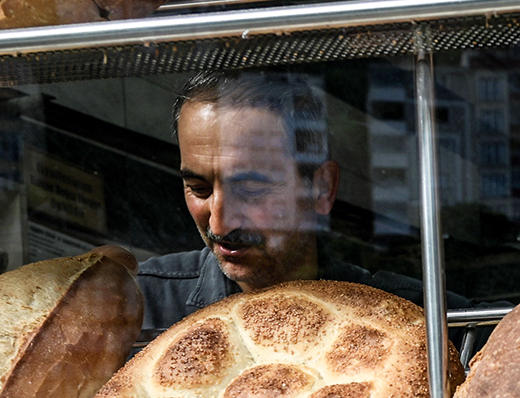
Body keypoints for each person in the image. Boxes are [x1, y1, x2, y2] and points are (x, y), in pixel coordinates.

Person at [137, 70, 424, 332]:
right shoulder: (136, 307)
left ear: (322, 188)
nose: (220, 224)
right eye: (199, 189)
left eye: (250, 190)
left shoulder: (415, 319)